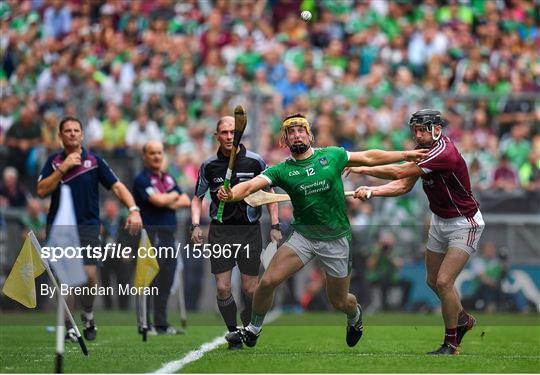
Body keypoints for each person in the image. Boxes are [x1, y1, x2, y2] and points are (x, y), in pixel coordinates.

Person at [218, 113, 428, 349]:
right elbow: (251, 185)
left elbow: (369, 157)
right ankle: (253, 329)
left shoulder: (332, 155)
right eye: (291, 132)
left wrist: (406, 154)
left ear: (310, 135)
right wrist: (233, 194)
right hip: (303, 236)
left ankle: (354, 316)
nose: (297, 135)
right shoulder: (281, 170)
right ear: (285, 140)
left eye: (301, 130)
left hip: (336, 238)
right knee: (267, 282)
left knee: (339, 301)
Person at [347, 109, 485, 355]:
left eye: (423, 130)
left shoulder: (444, 153)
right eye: (416, 130)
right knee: (432, 280)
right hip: (439, 221)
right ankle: (462, 318)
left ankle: (451, 343)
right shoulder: (424, 150)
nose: (418, 135)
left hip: (464, 223)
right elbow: (402, 185)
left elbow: (400, 172)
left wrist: (361, 169)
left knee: (444, 282)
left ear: (437, 129)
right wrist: (372, 190)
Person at [37, 116, 142, 341]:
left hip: (88, 228)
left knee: (89, 276)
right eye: (68, 130)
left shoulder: (94, 161)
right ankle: (70, 327)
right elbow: (42, 190)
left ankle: (87, 313)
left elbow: (117, 186)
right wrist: (62, 169)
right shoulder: (53, 162)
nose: (73, 133)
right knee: (65, 281)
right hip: (60, 229)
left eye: (76, 130)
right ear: (60, 136)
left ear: (82, 135)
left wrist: (133, 209)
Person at [191, 115, 282, 349]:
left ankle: (248, 321)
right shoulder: (209, 165)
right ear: (217, 136)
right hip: (220, 231)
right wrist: (195, 225)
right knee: (223, 287)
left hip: (249, 231)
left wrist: (274, 225)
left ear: (239, 134)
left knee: (250, 289)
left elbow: (270, 194)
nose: (229, 137)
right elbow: (197, 197)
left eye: (233, 132)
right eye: (224, 132)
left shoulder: (255, 162)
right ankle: (233, 333)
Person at [133, 140, 190, 334]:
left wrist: (166, 199)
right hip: (151, 234)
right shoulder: (142, 179)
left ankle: (161, 323)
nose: (157, 156)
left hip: (168, 235)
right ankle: (145, 324)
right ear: (145, 156)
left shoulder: (168, 178)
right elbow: (157, 201)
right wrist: (169, 198)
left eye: (159, 153)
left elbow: (186, 200)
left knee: (166, 279)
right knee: (149, 280)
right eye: (152, 153)